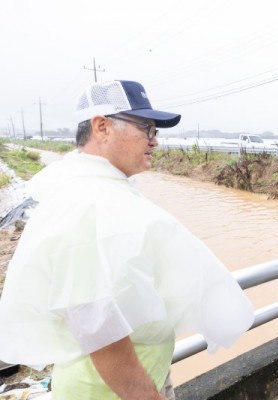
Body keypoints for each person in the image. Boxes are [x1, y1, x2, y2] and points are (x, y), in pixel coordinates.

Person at [0, 80, 254, 399]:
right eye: (147, 128)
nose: (155, 141)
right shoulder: (88, 205)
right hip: (109, 392)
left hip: (134, 378)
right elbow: (97, 327)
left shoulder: (99, 189)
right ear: (102, 127)